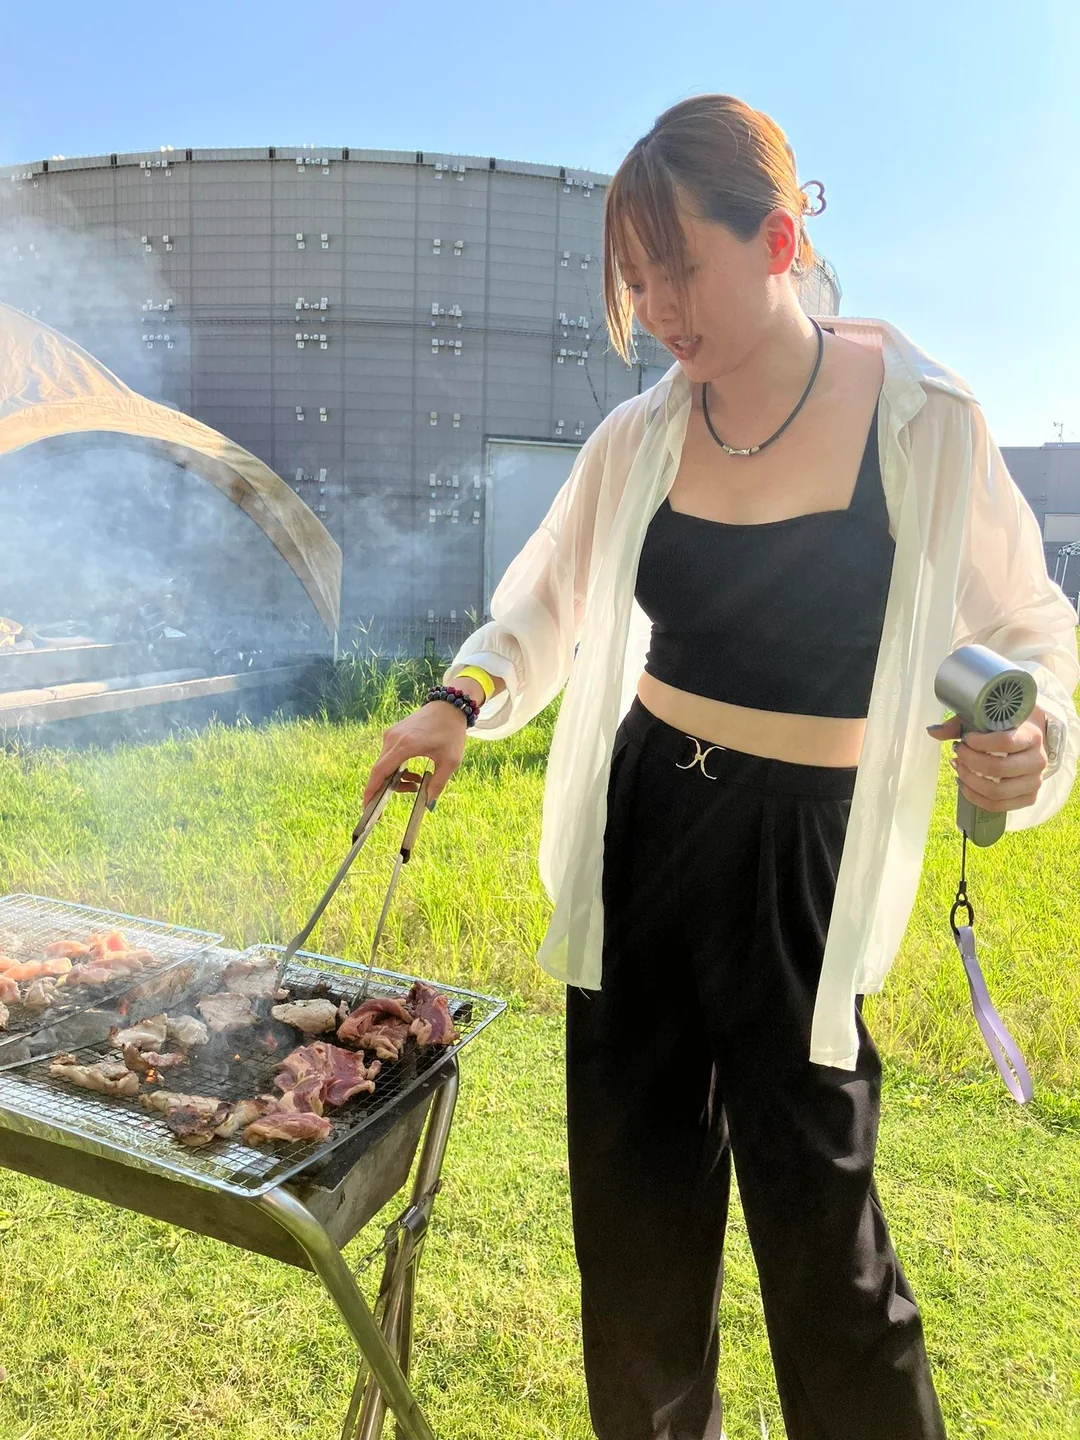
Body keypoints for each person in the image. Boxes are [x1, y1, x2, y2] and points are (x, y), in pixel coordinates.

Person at [361, 94, 1079, 1440]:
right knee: (633, 1226)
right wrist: (459, 700)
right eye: (635, 279)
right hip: (643, 828)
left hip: (800, 854)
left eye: (678, 269)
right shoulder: (641, 434)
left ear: (779, 239)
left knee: (827, 1255)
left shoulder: (922, 421)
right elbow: (549, 599)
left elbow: (1034, 627)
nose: (655, 309)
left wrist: (1033, 738)